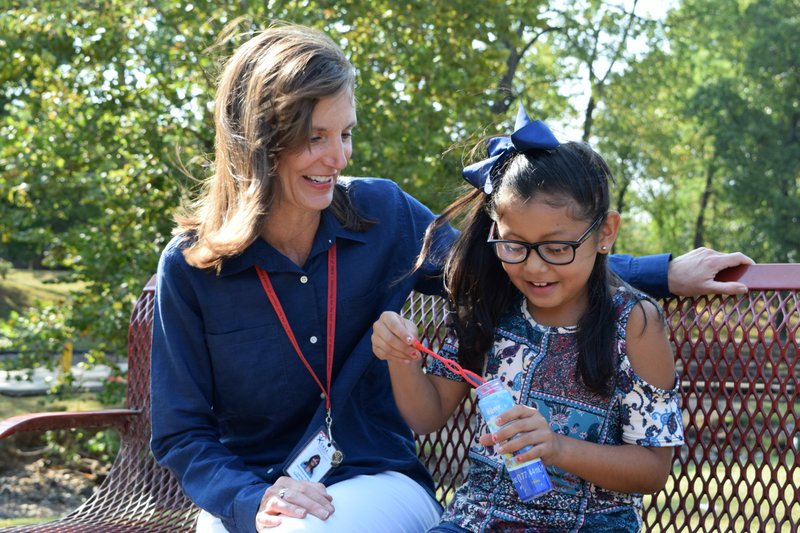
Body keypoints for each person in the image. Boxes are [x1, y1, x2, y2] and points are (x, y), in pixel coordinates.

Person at [149, 22, 750, 533]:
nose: (340, 158)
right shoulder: (191, 266)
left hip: (371, 475)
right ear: (259, 143)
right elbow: (181, 434)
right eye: (316, 139)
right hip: (255, 493)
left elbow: (513, 264)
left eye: (346, 133)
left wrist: (664, 271)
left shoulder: (380, 214)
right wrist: (253, 501)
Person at [371, 107, 686, 531]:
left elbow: (653, 469)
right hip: (478, 519)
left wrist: (557, 447)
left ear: (605, 232)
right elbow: (426, 417)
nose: (535, 268)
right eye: (514, 245)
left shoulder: (634, 324)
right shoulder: (485, 305)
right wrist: (401, 358)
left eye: (557, 248)